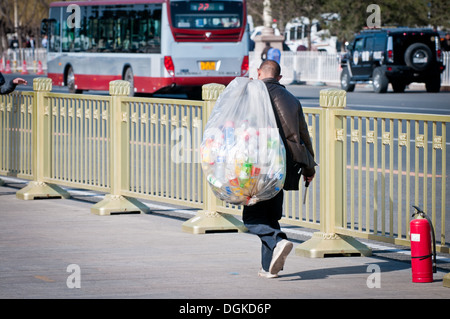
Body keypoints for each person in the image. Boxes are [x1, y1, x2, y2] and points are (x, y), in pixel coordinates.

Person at [243, 60, 316, 278]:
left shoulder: (249, 95)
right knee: (270, 216)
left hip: (256, 167)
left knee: (252, 219)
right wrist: (309, 167)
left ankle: (278, 240)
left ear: (258, 73)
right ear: (280, 78)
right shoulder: (292, 100)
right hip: (282, 169)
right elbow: (303, 137)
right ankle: (268, 269)